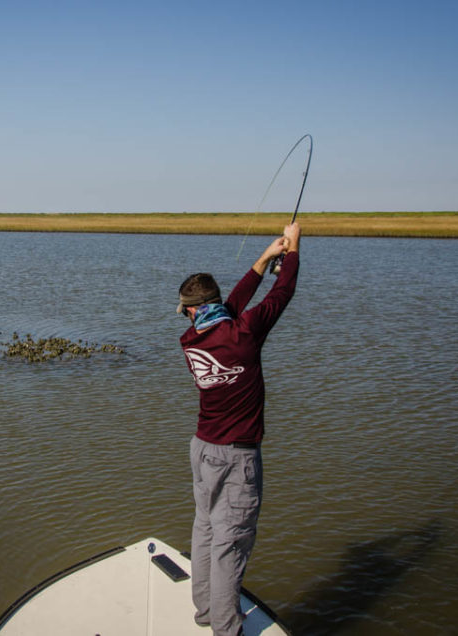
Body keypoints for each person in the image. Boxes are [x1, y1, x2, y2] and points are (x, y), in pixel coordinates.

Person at [177, 222, 300, 636]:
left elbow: (229, 305)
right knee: (232, 542)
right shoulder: (244, 333)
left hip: (202, 449)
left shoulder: (191, 340)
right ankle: (226, 629)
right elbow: (282, 296)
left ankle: (206, 613)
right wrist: (293, 252)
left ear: (194, 311)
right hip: (238, 457)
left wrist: (265, 260)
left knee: (206, 530)